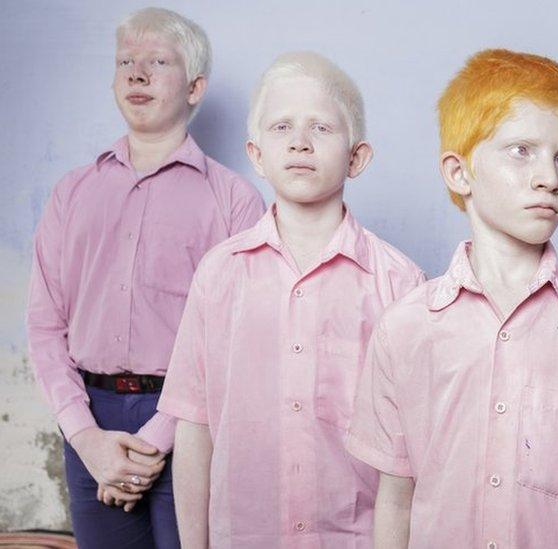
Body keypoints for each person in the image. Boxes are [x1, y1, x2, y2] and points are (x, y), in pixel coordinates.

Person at [346, 48, 558, 548]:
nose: (549, 177)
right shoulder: (406, 328)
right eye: (521, 150)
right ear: (459, 173)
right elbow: (396, 497)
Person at [157, 51, 424, 548]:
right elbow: (194, 428)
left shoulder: (400, 284)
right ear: (256, 154)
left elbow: (411, 453)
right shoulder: (219, 275)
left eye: (321, 128)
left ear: (357, 157)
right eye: (281, 128)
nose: (300, 142)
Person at [25, 7, 264, 548]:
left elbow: (239, 340)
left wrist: (158, 439)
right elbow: (44, 327)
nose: (137, 74)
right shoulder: (71, 193)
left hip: (190, 421)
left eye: (158, 61)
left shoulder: (233, 202)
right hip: (90, 417)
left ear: (196, 86)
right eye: (126, 62)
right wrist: (85, 438)